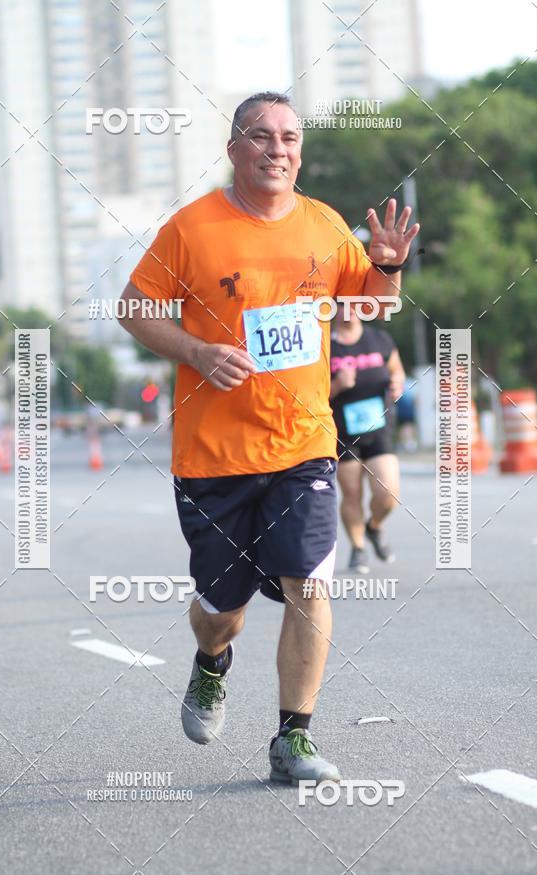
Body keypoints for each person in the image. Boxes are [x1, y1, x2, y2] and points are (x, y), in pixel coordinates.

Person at [119, 92, 419, 784]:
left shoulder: (324, 224)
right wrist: (195, 351)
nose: (276, 148)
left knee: (310, 583)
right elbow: (134, 307)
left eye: (288, 137)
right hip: (214, 457)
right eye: (260, 136)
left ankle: (294, 738)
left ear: (300, 152)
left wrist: (389, 267)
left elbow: (370, 305)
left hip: (305, 444)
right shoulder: (192, 228)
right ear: (234, 150)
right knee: (222, 611)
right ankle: (211, 662)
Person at [330, 303, 406, 574]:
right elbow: (311, 394)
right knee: (351, 493)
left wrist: (398, 382)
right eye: (341, 305)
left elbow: (396, 369)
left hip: (378, 428)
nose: (348, 311)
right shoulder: (325, 346)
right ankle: (359, 548)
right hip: (342, 433)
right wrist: (337, 385)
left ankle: (374, 526)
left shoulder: (379, 339)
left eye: (353, 305)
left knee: (388, 493)